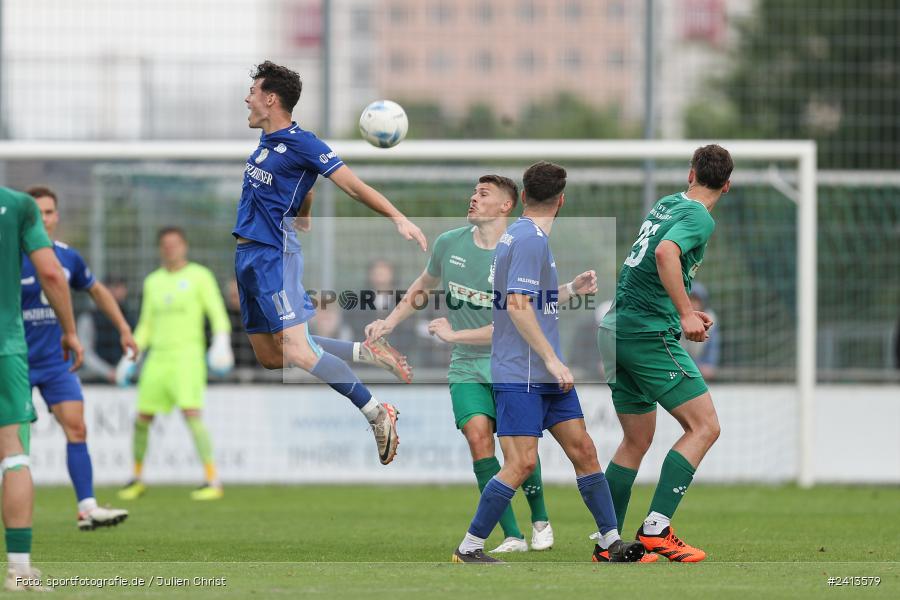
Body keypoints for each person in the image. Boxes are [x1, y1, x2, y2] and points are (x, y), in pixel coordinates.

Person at [233, 60, 426, 465]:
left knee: (298, 350)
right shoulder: (267, 142)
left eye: (253, 92)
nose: (247, 99)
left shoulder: (306, 142)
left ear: (271, 99)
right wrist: (304, 211)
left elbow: (353, 186)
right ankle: (365, 351)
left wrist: (398, 217)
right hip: (246, 257)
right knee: (272, 357)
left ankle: (377, 412)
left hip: (274, 255)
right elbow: (303, 183)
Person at [368, 175, 574, 553]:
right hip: (465, 365)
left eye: (484, 194)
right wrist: (389, 322)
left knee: (519, 451)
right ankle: (511, 535)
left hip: (509, 362)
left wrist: (454, 335)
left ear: (506, 205)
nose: (473, 198)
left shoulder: (519, 248)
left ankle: (540, 519)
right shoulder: (449, 243)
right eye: (474, 192)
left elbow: (520, 316)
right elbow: (422, 285)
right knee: (478, 438)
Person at [451, 162, 644, 564]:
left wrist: (569, 289)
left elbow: (529, 298)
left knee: (584, 451)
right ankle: (469, 547)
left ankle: (610, 542)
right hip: (523, 372)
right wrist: (553, 359)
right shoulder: (528, 239)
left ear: (524, 197)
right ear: (562, 201)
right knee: (521, 463)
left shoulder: (522, 236)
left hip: (543, 374)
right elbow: (517, 305)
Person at [597, 144, 732, 563]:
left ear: (691, 174)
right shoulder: (700, 216)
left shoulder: (667, 203)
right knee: (705, 426)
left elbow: (648, 269)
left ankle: (608, 544)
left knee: (636, 439)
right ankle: (656, 528)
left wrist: (684, 310)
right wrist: (684, 312)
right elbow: (664, 253)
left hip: (615, 329)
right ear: (727, 186)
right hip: (646, 334)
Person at [21, 186, 132, 530]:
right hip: (14, 362)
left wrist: (124, 329)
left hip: (57, 362)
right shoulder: (8, 255)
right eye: (36, 212)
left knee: (77, 428)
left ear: (56, 216)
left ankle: (87, 508)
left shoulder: (68, 257)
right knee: (13, 444)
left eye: (48, 212)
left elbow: (96, 290)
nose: (43, 219)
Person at [1, 186, 83, 590]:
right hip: (5, 347)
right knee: (13, 454)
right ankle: (18, 571)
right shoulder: (17, 206)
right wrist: (70, 331)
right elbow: (51, 273)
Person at [118, 227, 234, 501]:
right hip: (157, 359)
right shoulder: (153, 281)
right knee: (142, 419)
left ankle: (212, 480)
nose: (170, 248)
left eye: (175, 244)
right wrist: (130, 355)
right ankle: (137, 478)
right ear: (161, 249)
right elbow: (146, 324)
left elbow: (217, 313)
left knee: (192, 415)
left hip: (187, 357)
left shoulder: (200, 276)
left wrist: (221, 340)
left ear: (185, 246)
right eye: (165, 244)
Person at [77, 276, 136, 383]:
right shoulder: (89, 319)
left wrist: (123, 371)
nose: (114, 291)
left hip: (126, 380)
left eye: (118, 286)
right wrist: (108, 372)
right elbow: (85, 354)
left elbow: (137, 350)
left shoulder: (132, 319)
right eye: (110, 286)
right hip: (94, 381)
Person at [679, 283, 720, 380]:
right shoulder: (676, 317)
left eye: (696, 300)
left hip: (700, 363)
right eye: (690, 299)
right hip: (679, 362)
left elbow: (712, 347)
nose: (693, 304)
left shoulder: (710, 318)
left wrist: (709, 364)